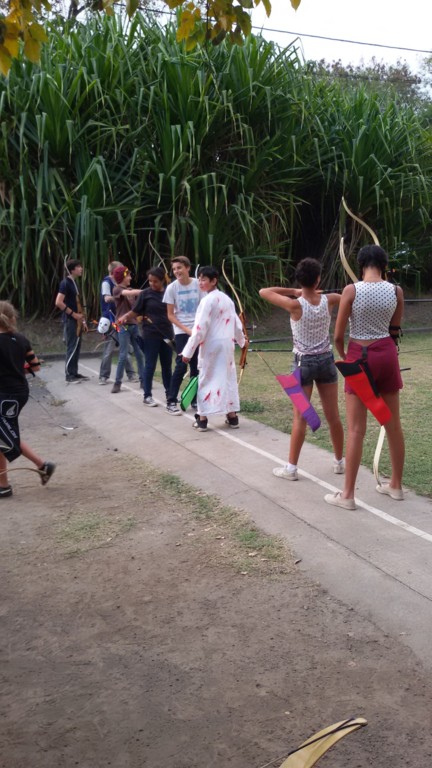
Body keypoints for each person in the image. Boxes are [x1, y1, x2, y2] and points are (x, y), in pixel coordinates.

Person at [324, 245, 405, 510]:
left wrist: (346, 356)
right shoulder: (396, 291)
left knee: (357, 429)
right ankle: (396, 485)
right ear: (384, 266)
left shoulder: (352, 290)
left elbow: (338, 336)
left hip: (359, 356)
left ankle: (347, 495)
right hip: (387, 354)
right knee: (393, 424)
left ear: (361, 266)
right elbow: (395, 330)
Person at [259, 258, 344, 481]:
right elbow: (349, 296)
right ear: (318, 279)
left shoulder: (295, 304)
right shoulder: (329, 300)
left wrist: (294, 291)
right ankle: (339, 462)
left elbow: (264, 291)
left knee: (300, 417)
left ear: (299, 280)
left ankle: (291, 469)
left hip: (302, 364)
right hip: (326, 361)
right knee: (333, 415)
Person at [0, 301, 55, 498]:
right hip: (19, 392)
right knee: (4, 435)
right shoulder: (21, 339)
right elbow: (35, 366)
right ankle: (6, 484)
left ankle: (7, 484)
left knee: (5, 436)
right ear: (12, 318)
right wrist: (16, 368)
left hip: (6, 396)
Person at [182, 266, 245, 432]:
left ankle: (202, 419)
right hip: (227, 345)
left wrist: (188, 352)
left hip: (212, 346)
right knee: (227, 378)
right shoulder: (226, 299)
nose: (200, 282)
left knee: (206, 379)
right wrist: (242, 341)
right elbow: (237, 325)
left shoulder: (207, 301)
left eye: (204, 279)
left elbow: (199, 329)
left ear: (213, 281)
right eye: (199, 279)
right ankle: (232, 417)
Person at [118, 267, 173, 406]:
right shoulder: (145, 294)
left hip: (167, 334)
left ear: (162, 280)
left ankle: (170, 394)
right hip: (150, 335)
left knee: (167, 366)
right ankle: (147, 395)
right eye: (150, 281)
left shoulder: (169, 293)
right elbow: (135, 311)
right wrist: (125, 317)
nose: (152, 284)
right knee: (150, 365)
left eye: (156, 281)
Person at [163, 256, 205, 415]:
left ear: (188, 268)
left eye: (179, 268)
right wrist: (187, 330)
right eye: (174, 269)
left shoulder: (198, 284)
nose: (176, 271)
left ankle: (193, 399)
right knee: (181, 364)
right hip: (182, 332)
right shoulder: (171, 288)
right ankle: (171, 401)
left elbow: (204, 308)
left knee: (197, 366)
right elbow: (170, 315)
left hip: (198, 330)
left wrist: (199, 329)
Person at [98, 260, 136, 385]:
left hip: (120, 319)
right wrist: (119, 295)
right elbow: (106, 298)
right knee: (109, 349)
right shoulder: (107, 282)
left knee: (124, 347)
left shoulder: (119, 284)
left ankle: (131, 374)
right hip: (110, 319)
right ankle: (103, 375)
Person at [111, 265, 146, 394]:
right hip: (122, 326)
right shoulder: (117, 289)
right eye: (128, 275)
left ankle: (143, 380)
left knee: (139, 353)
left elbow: (135, 300)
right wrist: (147, 291)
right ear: (123, 277)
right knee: (123, 354)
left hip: (134, 325)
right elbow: (129, 293)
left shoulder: (130, 290)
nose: (130, 278)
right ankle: (117, 383)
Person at [55, 259, 89, 383]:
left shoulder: (74, 283)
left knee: (77, 347)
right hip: (70, 320)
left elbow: (78, 304)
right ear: (72, 270)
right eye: (79, 267)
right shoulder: (65, 283)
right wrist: (73, 314)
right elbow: (59, 302)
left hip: (77, 320)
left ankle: (74, 372)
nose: (81, 269)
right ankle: (69, 375)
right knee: (72, 346)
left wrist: (83, 321)